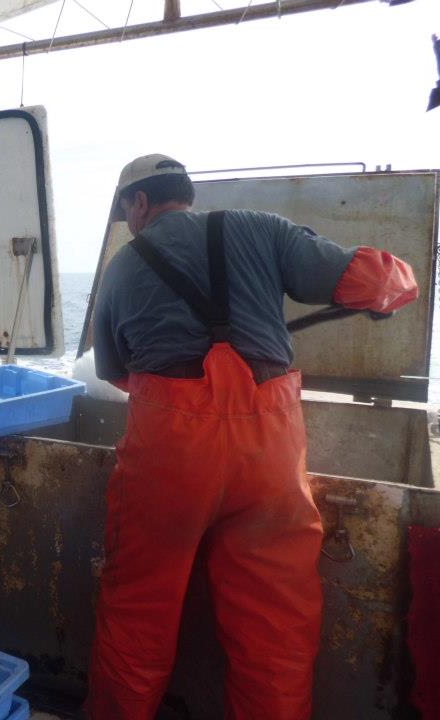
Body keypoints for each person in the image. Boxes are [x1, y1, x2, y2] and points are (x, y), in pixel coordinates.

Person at [87, 154, 419, 719]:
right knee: (276, 631)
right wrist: (393, 288)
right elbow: (372, 281)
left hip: (171, 457)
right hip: (270, 453)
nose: (129, 222)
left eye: (127, 211)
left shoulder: (121, 268)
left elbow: (115, 373)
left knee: (137, 616)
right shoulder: (263, 228)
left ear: (138, 203)